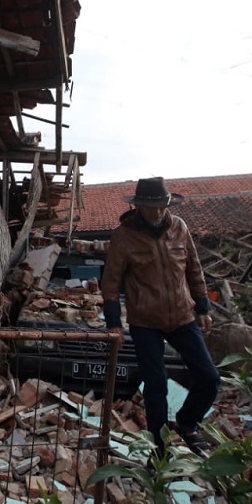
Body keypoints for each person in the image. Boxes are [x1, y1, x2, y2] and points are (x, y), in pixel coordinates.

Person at [100, 176, 220, 457]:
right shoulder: (124, 236)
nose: (155, 213)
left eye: (160, 207)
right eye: (149, 207)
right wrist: (114, 323)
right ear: (139, 206)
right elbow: (111, 283)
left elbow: (194, 270)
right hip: (145, 322)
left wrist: (203, 308)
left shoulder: (179, 228)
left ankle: (187, 423)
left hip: (182, 317)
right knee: (155, 385)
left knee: (209, 377)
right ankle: (159, 448)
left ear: (167, 204)